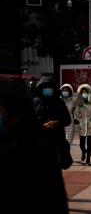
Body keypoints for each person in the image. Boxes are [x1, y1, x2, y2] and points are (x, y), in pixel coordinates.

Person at [0, 79, 69, 212]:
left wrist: (57, 123)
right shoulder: (36, 102)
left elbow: (55, 198)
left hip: (54, 140)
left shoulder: (39, 149)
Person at [74, 84, 91, 166]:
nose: (84, 94)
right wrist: (80, 120)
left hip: (90, 125)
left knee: (89, 143)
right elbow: (76, 113)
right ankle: (83, 152)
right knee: (81, 143)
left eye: (85, 92)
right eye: (82, 92)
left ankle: (88, 159)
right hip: (82, 125)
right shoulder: (79, 102)